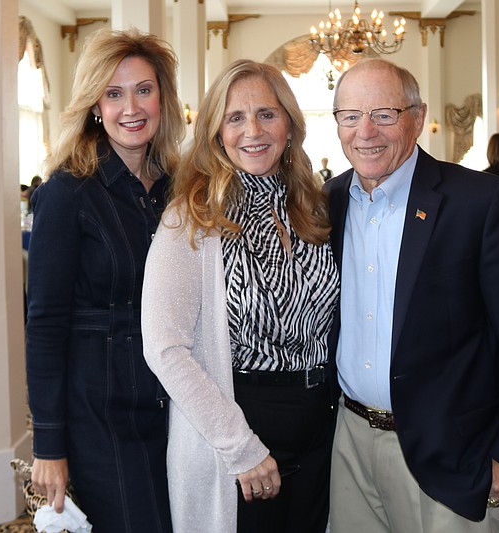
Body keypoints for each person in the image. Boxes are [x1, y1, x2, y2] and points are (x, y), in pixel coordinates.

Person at [325, 58, 499, 532]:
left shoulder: (478, 202)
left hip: (453, 454)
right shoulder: (326, 202)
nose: (365, 131)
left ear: (416, 117)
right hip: (347, 443)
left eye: (384, 114)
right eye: (350, 116)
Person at [141, 60, 339, 533]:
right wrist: (241, 447)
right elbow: (165, 349)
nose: (253, 130)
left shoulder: (311, 207)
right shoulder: (189, 219)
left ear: (289, 125)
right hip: (237, 430)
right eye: (235, 117)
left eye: (268, 114)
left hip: (319, 430)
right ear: (216, 132)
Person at [25, 28, 184, 532]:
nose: (130, 107)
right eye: (113, 94)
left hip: (170, 409)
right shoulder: (67, 192)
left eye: (143, 89)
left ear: (163, 97)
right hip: (101, 417)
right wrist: (49, 444)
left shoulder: (176, 189)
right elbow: (45, 326)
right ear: (95, 105)